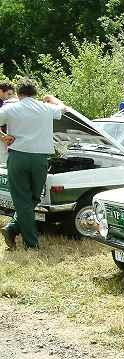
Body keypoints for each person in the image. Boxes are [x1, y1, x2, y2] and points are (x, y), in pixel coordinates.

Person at [0, 78, 66, 250]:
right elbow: (63, 109)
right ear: (35, 93)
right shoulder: (46, 107)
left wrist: (2, 136)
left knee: (24, 200)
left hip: (18, 157)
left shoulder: (10, 107)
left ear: (19, 93)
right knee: (34, 197)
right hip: (40, 159)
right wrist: (52, 98)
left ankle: (14, 228)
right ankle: (30, 243)